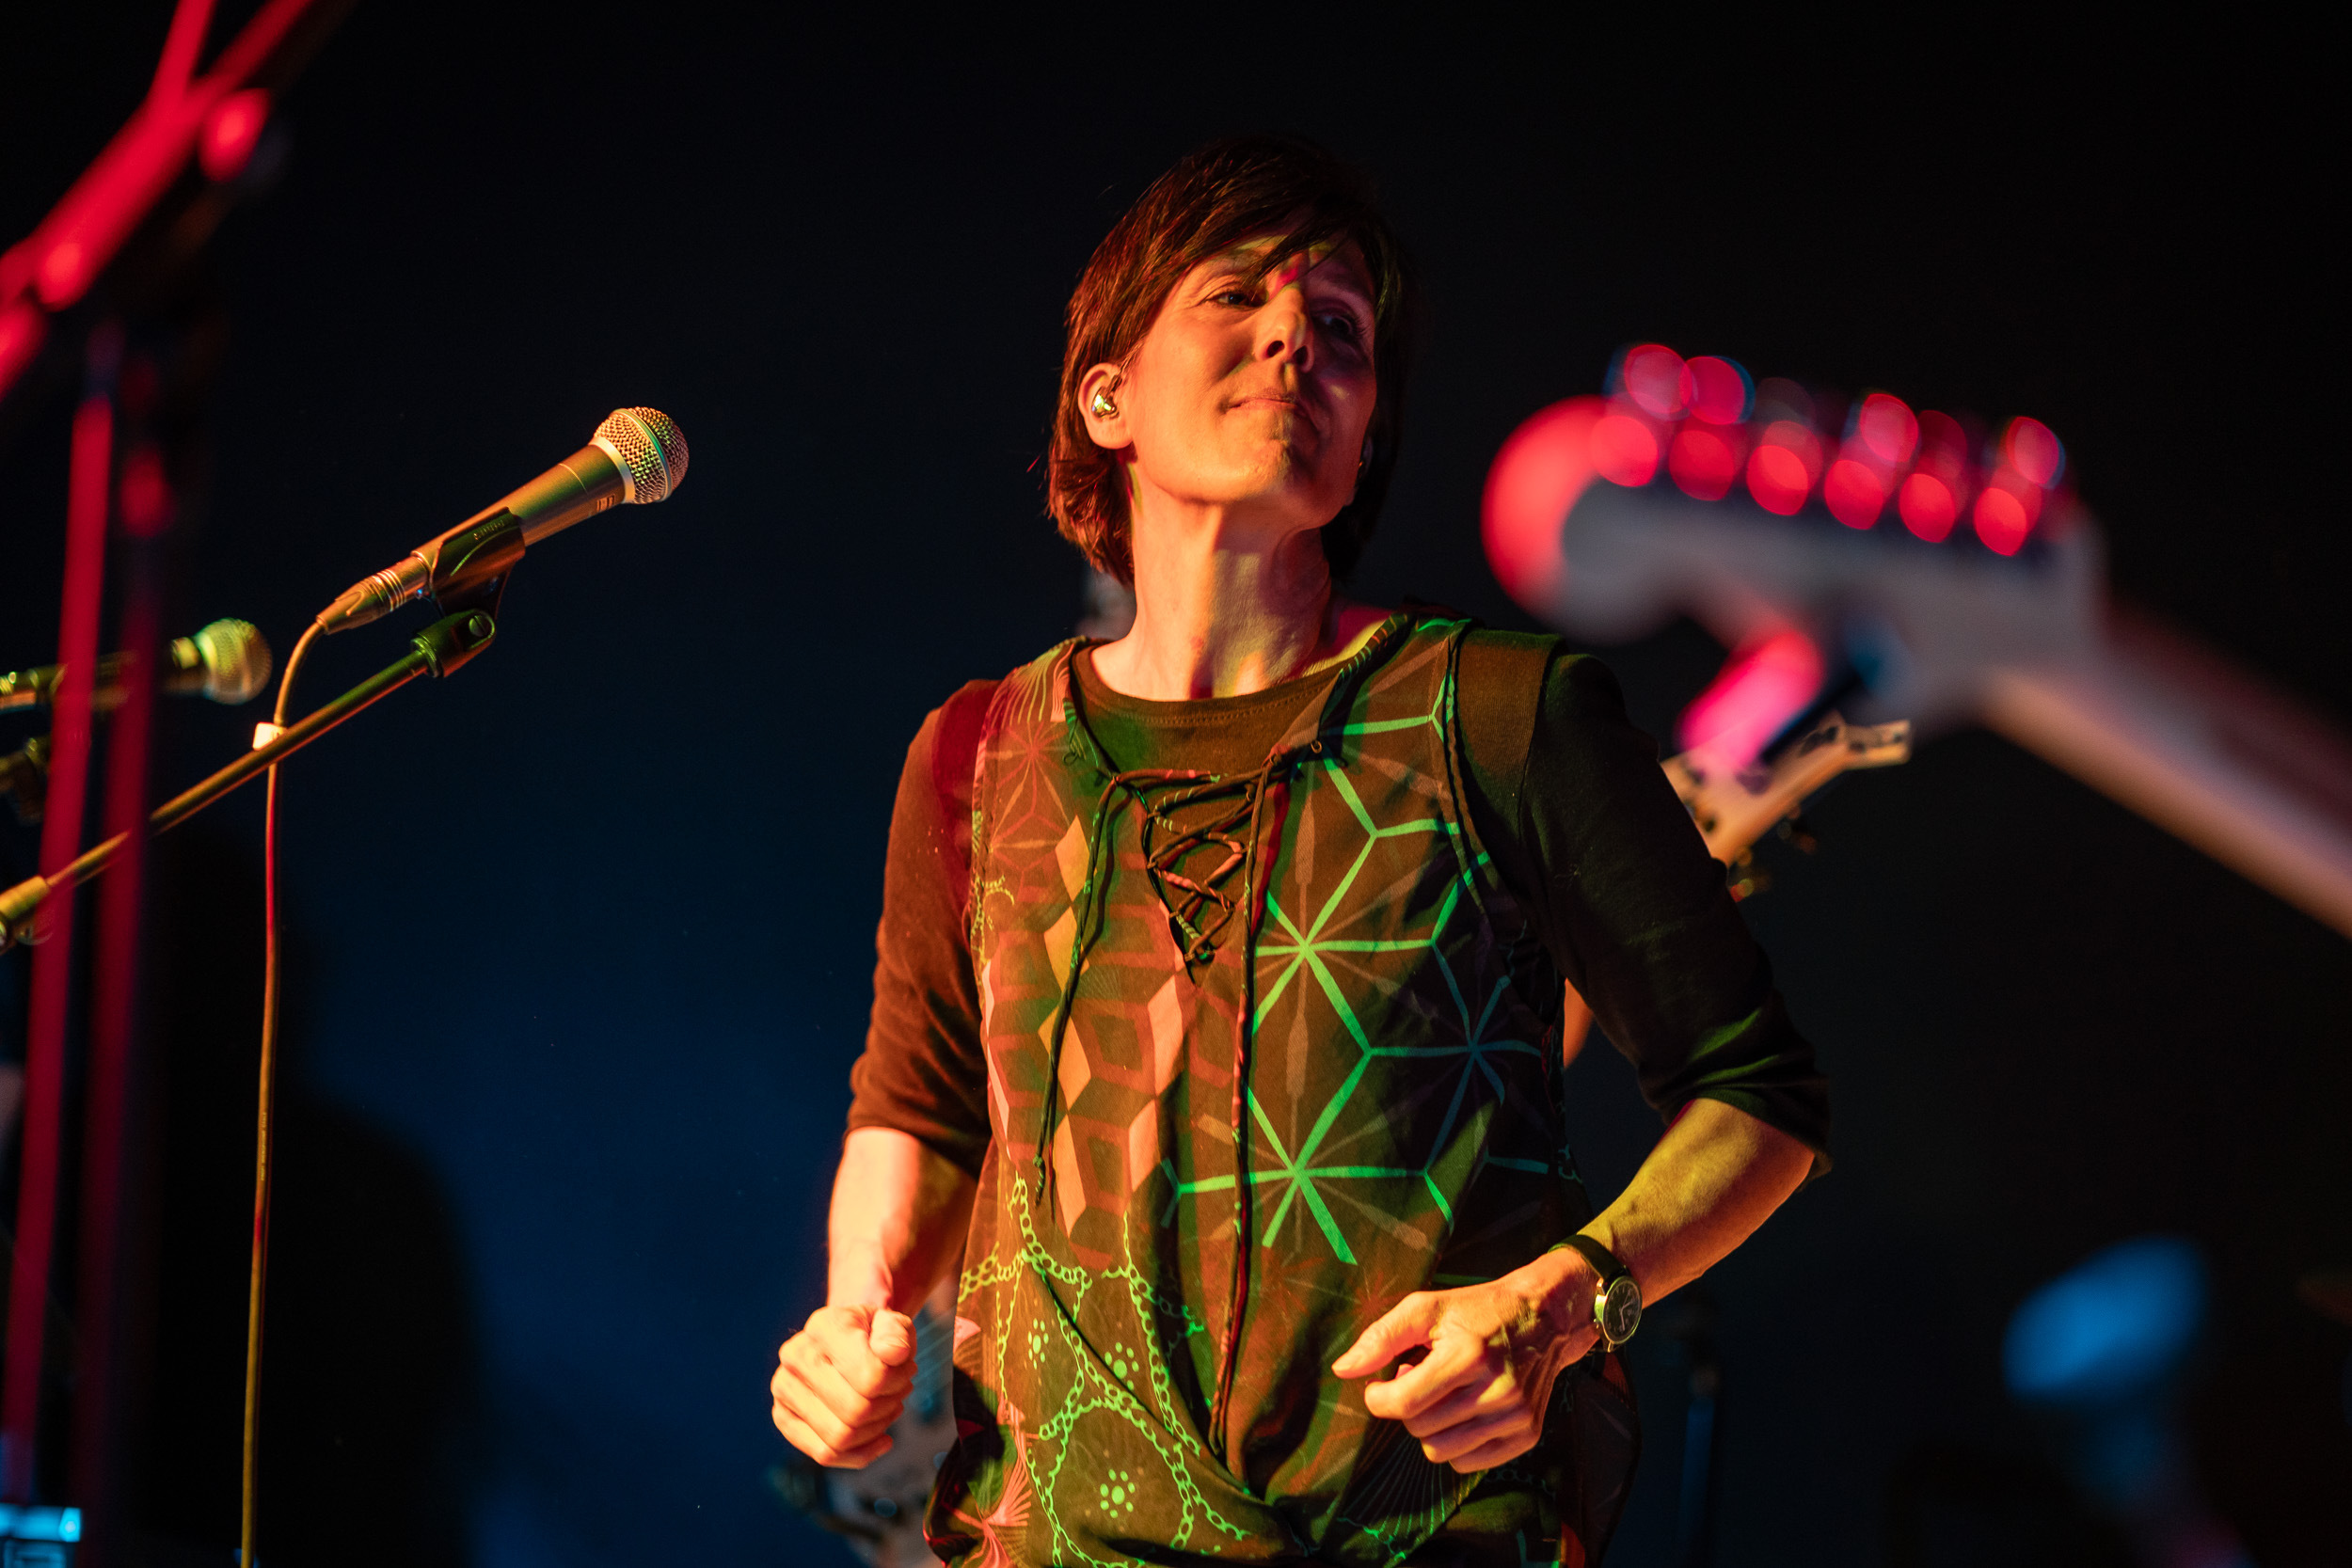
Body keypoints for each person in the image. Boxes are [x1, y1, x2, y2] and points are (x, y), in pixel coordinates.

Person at [770, 135, 1829, 1567]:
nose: (1294, 338)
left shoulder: (1502, 714)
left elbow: (1760, 1095)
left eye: (1341, 329)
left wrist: (1557, 1306)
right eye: (1236, 295)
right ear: (1105, 396)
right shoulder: (975, 749)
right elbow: (923, 1105)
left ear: (1364, 435)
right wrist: (857, 1313)